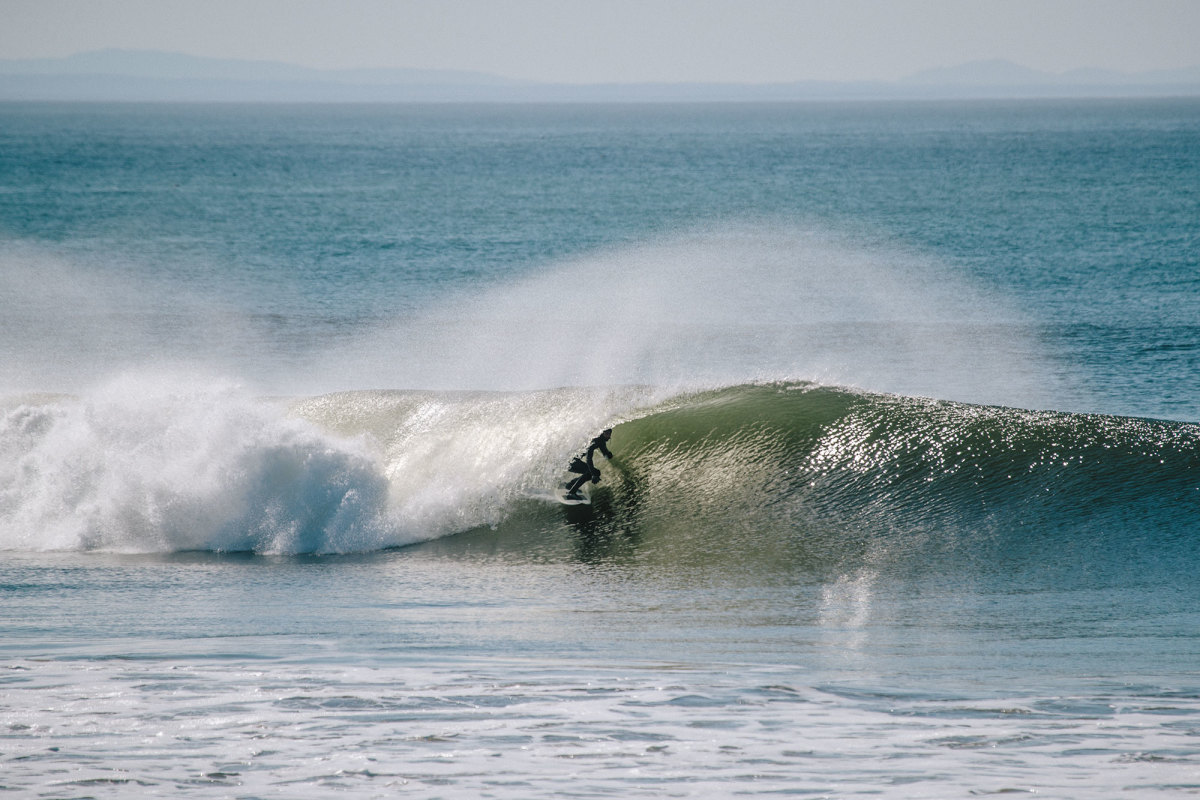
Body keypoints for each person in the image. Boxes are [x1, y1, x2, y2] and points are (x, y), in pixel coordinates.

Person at [564, 429, 613, 499]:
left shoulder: (601, 441)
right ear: (603, 433)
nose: (609, 436)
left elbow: (604, 451)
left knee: (596, 472)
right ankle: (571, 493)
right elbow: (588, 459)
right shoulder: (594, 441)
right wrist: (593, 474)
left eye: (610, 434)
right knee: (592, 473)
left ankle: (570, 485)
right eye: (607, 434)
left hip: (572, 460)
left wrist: (608, 454)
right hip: (570, 461)